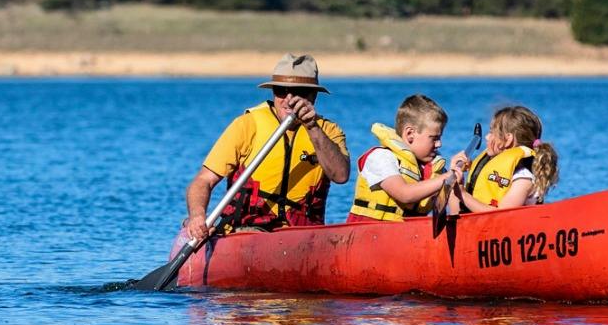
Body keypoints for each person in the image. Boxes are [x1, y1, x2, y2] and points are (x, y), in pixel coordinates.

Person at [183, 53, 350, 241]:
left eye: (299, 92)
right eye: (281, 90)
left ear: (313, 96)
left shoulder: (329, 131)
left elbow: (341, 176)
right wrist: (197, 217)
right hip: (248, 231)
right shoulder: (247, 125)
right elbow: (203, 181)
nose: (289, 99)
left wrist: (312, 127)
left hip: (304, 236)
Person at [346, 94, 459, 223]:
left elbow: (453, 212)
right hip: (366, 236)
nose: (439, 144)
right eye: (434, 138)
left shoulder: (436, 171)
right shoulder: (381, 158)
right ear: (410, 134)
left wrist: (456, 179)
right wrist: (446, 178)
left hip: (407, 237)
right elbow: (405, 195)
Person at [447, 104, 558, 213]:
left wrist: (463, 194)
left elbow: (501, 216)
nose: (486, 137)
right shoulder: (493, 164)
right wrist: (455, 183)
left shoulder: (523, 178)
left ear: (508, 139)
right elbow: (455, 215)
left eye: (491, 132)